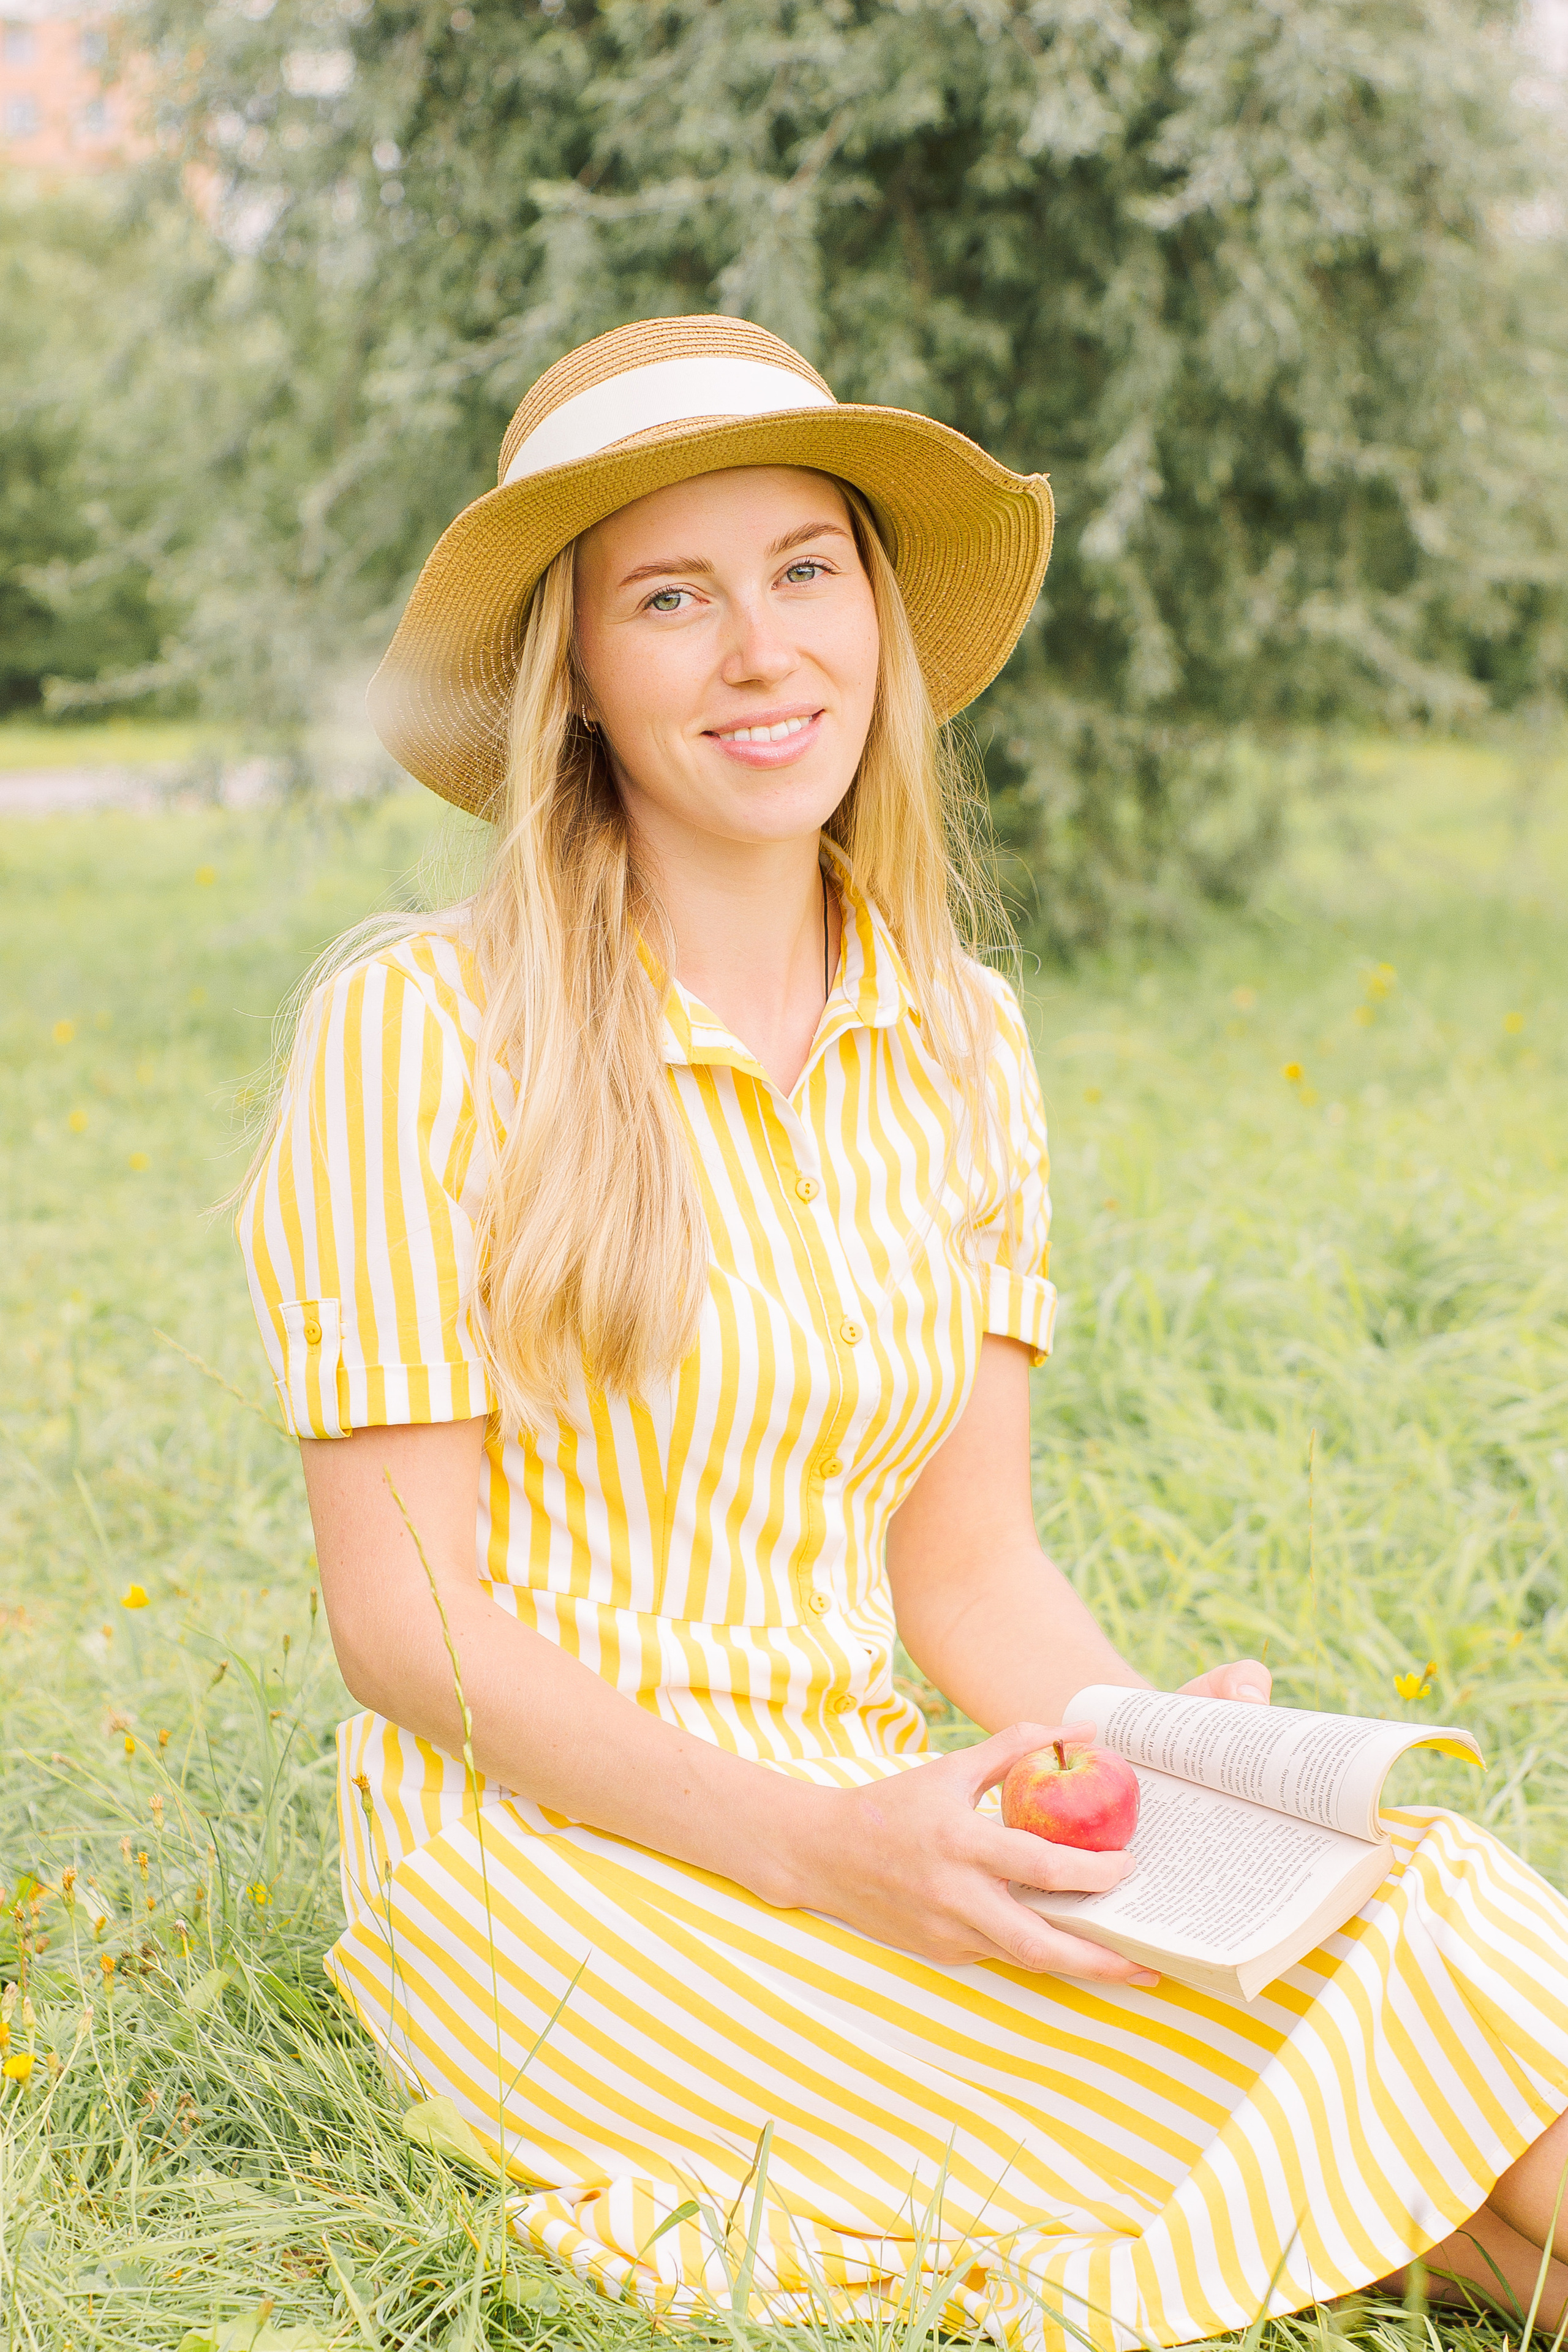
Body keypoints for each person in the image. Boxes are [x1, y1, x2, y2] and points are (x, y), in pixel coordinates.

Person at [238, 316, 1568, 2350]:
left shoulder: (963, 1041)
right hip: (559, 1870)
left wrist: (1152, 1757)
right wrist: (824, 1857)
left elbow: (968, 1571)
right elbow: (405, 1632)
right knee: (1266, 2077)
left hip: (880, 1797)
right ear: (578, 680)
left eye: (804, 570)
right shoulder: (421, 1032)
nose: (761, 651)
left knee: (1423, 1904)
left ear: (874, 610)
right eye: (670, 598)